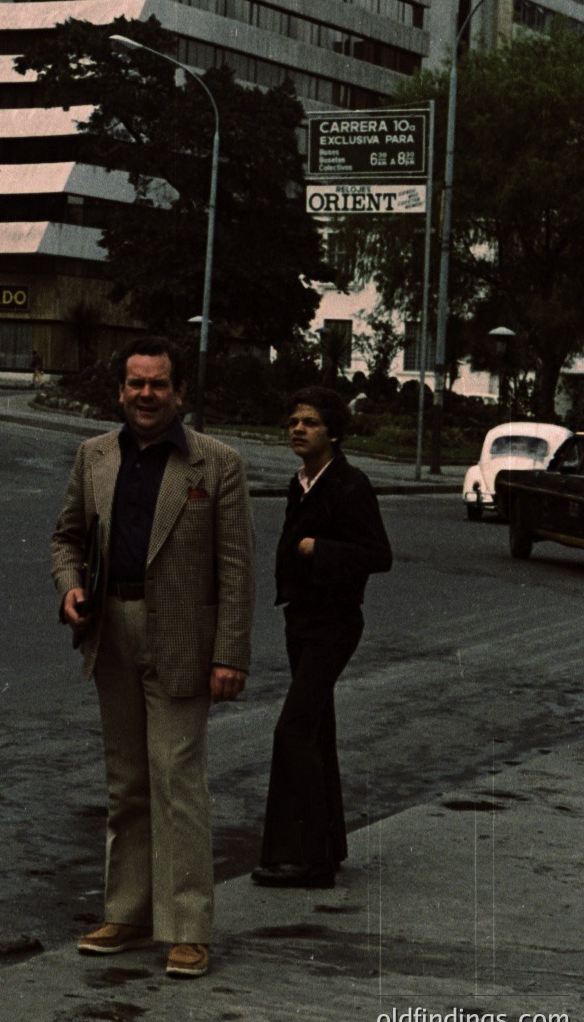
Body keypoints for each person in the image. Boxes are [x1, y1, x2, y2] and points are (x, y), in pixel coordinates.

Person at [51, 336, 255, 980]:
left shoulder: (217, 465)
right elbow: (66, 539)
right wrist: (71, 588)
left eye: (159, 384)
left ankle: (188, 927)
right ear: (120, 390)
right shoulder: (95, 456)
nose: (146, 395)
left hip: (184, 643)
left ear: (180, 393)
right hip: (113, 630)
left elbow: (236, 569)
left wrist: (230, 655)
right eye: (136, 384)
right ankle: (129, 913)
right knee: (127, 783)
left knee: (178, 782)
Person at [251, 385, 392, 889]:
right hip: (302, 620)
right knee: (315, 730)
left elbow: (379, 555)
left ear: (333, 431)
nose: (297, 429)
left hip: (334, 625)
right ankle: (326, 848)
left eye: (309, 422)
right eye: (293, 421)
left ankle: (308, 863)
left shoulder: (350, 484)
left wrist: (319, 549)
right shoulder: (302, 481)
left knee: (292, 731)